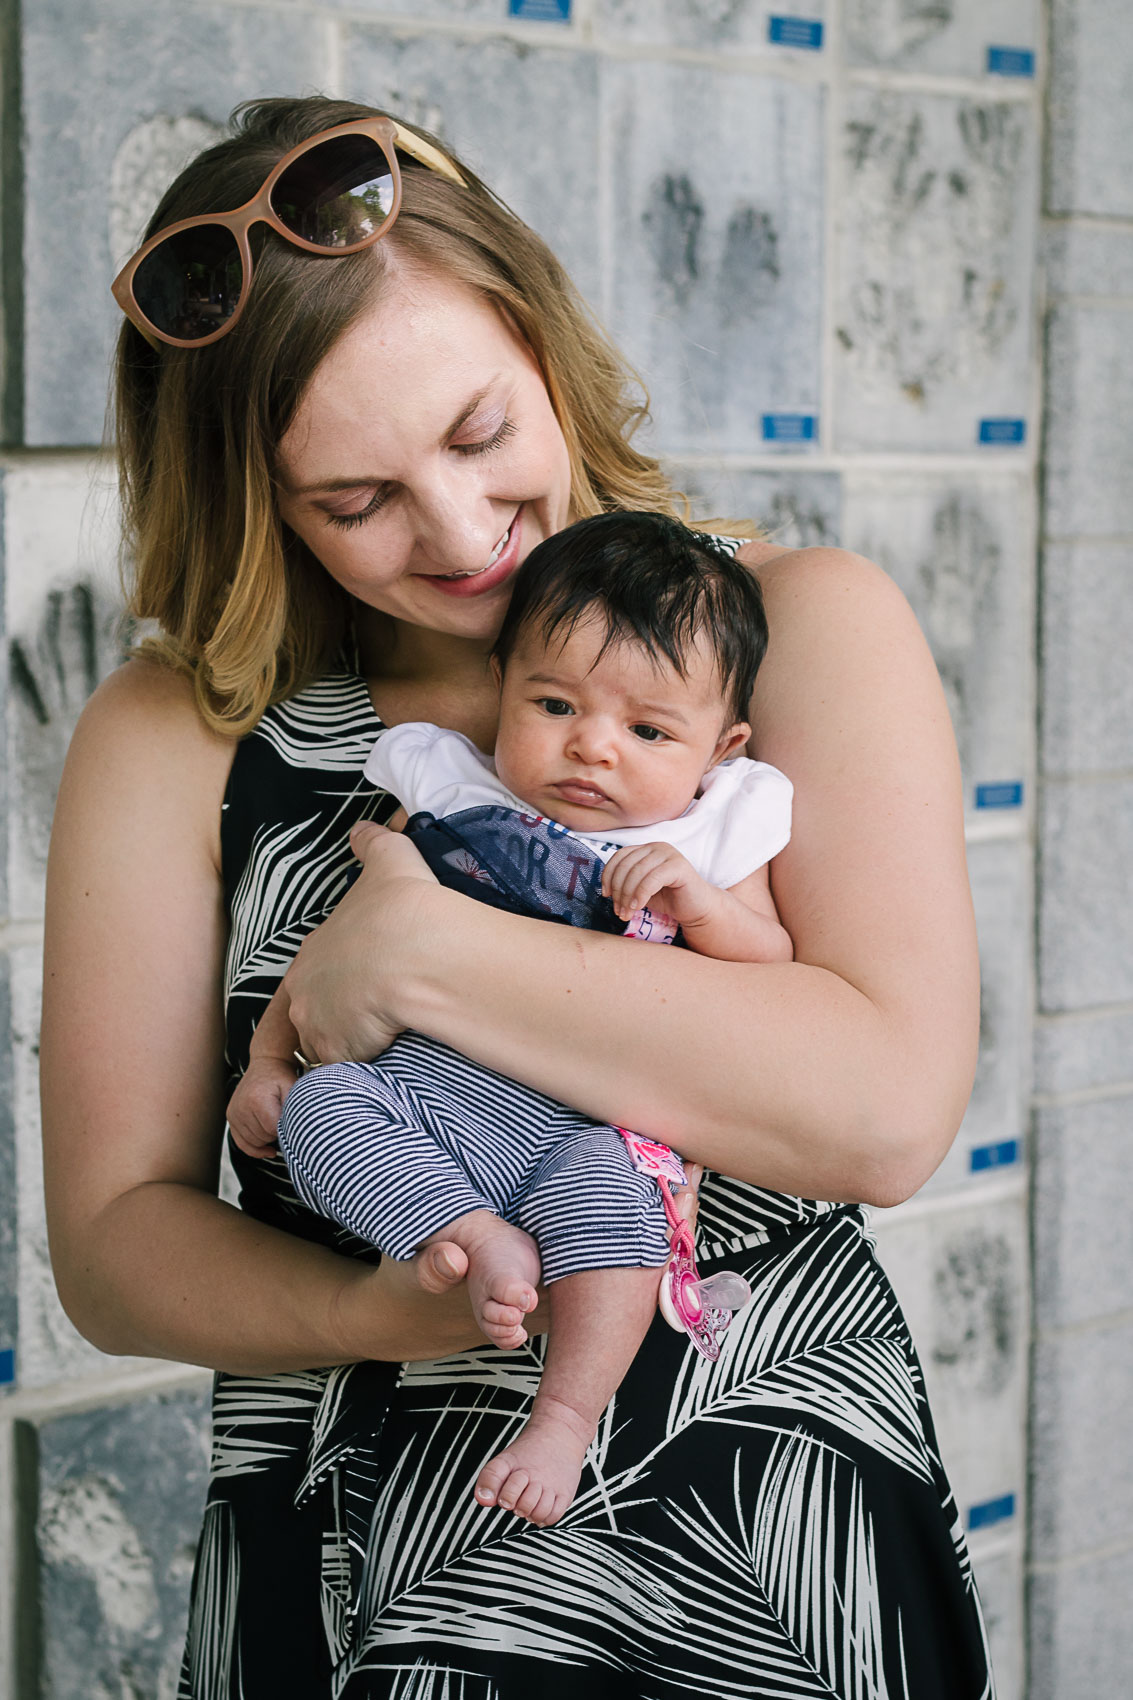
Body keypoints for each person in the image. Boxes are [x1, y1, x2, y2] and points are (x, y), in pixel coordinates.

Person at [41, 95, 994, 1698]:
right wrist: (374, 1308)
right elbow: (114, 1246)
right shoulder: (178, 733)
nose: (463, 529)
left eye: (482, 436)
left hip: (775, 1543)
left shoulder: (795, 625)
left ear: (541, 341)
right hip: (365, 1550)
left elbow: (886, 1108)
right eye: (356, 502)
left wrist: (426, 953)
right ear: (258, 498)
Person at [227, 511, 795, 1528]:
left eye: (648, 730)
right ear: (500, 684)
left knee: (618, 1210)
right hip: (427, 1099)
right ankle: (471, 1232)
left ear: (722, 746)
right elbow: (339, 943)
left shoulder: (707, 829)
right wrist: (269, 1062)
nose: (590, 745)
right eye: (552, 700)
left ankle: (564, 1416)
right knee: (321, 1111)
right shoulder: (451, 787)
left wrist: (700, 905)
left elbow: (775, 970)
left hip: (589, 1131)